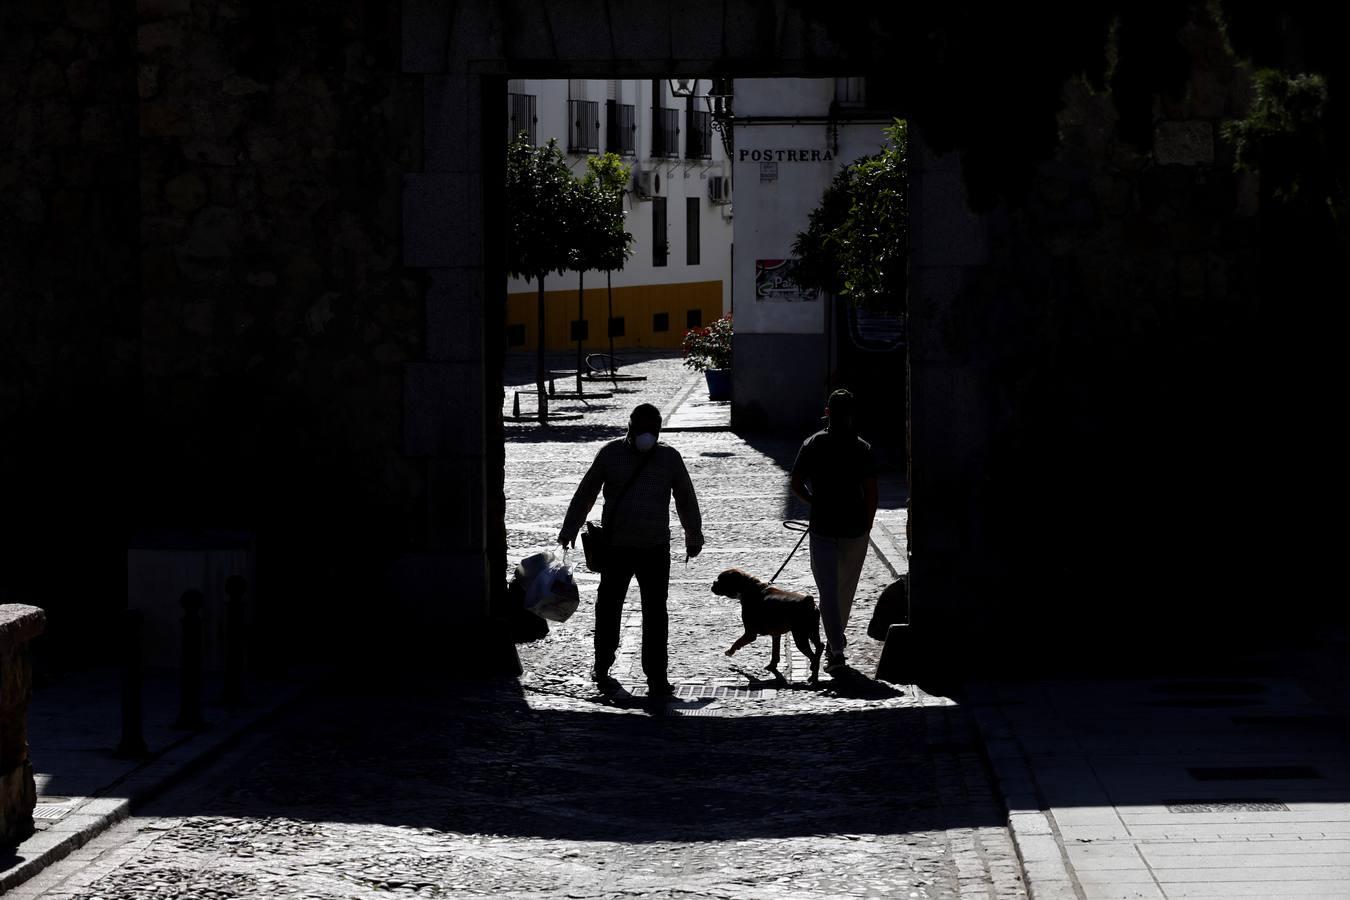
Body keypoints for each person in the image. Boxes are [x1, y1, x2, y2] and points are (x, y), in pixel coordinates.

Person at [558, 403, 704, 696]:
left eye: (654, 429)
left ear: (659, 430)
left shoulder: (669, 457)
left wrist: (693, 534)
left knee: (655, 612)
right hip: (616, 547)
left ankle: (656, 675)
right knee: (609, 608)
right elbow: (586, 492)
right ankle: (602, 665)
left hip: (655, 548)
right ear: (631, 427)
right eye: (644, 428)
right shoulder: (610, 454)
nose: (648, 435)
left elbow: (686, 498)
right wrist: (569, 528)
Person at [789, 388, 878, 675]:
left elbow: (796, 483)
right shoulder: (862, 448)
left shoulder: (813, 444)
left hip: (824, 526)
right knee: (844, 589)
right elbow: (872, 493)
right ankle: (836, 641)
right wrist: (867, 523)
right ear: (852, 415)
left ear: (827, 413)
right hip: (854, 529)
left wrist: (813, 502)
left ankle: (836, 648)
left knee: (828, 589)